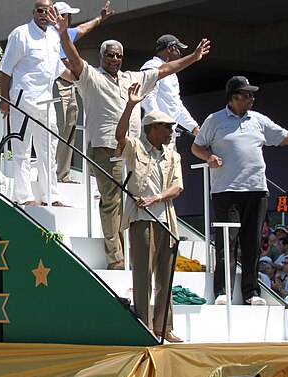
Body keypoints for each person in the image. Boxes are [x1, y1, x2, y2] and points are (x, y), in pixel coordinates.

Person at [57, 14, 210, 269]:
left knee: (134, 198)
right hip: (106, 147)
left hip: (134, 149)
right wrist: (63, 35)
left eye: (118, 55)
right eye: (109, 55)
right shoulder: (91, 77)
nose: (114, 59)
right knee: (112, 200)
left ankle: (133, 252)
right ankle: (115, 258)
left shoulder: (132, 78)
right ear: (102, 57)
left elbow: (163, 70)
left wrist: (193, 58)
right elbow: (74, 58)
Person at [192, 76, 288, 305]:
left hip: (257, 190)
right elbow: (196, 146)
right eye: (247, 94)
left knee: (252, 242)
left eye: (252, 94)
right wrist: (209, 156)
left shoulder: (258, 120)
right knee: (227, 242)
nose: (252, 98)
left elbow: (285, 137)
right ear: (234, 97)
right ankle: (223, 292)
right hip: (226, 190)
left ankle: (251, 293)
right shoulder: (215, 120)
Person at [115, 84, 183, 343]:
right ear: (152, 129)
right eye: (166, 127)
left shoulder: (173, 155)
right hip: (141, 219)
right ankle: (144, 322)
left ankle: (164, 326)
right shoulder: (136, 147)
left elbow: (177, 186)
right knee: (142, 274)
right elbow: (119, 138)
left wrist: (157, 197)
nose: (169, 132)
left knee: (166, 275)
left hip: (166, 220)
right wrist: (130, 105)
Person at [0, 0, 66, 206]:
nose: (43, 14)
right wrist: (4, 100)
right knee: (22, 149)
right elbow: (5, 69)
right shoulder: (21, 34)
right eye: (40, 10)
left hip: (46, 102)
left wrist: (84, 79)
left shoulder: (54, 37)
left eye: (48, 10)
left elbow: (59, 71)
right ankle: (23, 195)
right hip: (23, 99)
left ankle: (51, 196)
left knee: (49, 150)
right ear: (33, 11)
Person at [52, 0, 113, 183]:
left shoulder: (66, 33)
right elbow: (59, 66)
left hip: (70, 86)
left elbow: (83, 29)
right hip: (57, 85)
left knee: (69, 129)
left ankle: (62, 174)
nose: (71, 20)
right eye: (68, 16)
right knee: (59, 128)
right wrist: (83, 78)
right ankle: (52, 173)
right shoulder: (49, 36)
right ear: (60, 17)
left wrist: (99, 19)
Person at [140, 34, 201, 136]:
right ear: (169, 48)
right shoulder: (152, 66)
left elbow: (176, 104)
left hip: (168, 134)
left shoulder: (172, 74)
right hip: (154, 134)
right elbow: (147, 98)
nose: (180, 54)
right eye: (179, 50)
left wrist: (193, 127)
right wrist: (159, 123)